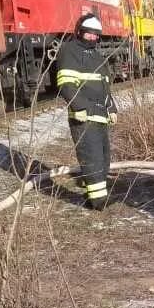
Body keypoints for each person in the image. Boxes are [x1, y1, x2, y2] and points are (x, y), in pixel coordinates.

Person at [56, 14, 118, 210]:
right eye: (89, 34)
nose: (92, 37)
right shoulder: (69, 51)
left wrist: (112, 108)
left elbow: (105, 87)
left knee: (104, 157)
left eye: (95, 35)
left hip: (100, 115)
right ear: (80, 32)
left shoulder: (97, 56)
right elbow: (66, 85)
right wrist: (79, 107)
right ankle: (98, 201)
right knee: (91, 157)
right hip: (83, 116)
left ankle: (97, 195)